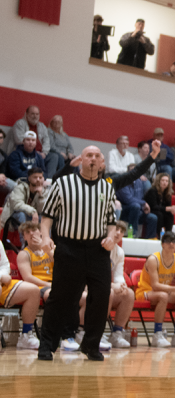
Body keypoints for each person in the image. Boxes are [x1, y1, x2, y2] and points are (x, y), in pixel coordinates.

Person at [36, 145, 119, 361]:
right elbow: (47, 217)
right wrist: (46, 237)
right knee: (60, 298)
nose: (92, 159)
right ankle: (47, 345)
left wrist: (111, 236)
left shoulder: (107, 188)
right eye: (88, 155)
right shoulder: (63, 183)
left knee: (101, 297)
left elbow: (111, 222)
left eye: (96, 156)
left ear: (102, 162)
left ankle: (91, 345)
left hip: (98, 250)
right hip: (68, 247)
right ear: (81, 159)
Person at [80, 222, 134, 350]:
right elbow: (88, 276)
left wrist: (121, 286)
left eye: (122, 231)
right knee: (107, 292)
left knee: (129, 294)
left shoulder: (119, 252)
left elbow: (119, 275)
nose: (118, 233)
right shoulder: (96, 246)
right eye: (116, 229)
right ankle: (96, 333)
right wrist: (111, 286)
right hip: (85, 287)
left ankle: (117, 333)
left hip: (104, 287)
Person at [136, 232, 175, 347]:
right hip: (146, 291)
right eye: (168, 241)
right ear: (162, 244)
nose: (172, 244)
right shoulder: (153, 259)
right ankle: (157, 334)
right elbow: (155, 285)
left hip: (164, 291)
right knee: (163, 295)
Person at [0, 239, 42, 350]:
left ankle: (26, 335)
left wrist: (2, 275)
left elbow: (5, 265)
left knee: (33, 290)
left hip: (3, 282)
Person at [1, 167, 47, 239]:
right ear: (29, 178)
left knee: (45, 218)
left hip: (32, 217)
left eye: (40, 177)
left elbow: (43, 210)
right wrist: (33, 211)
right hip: (12, 216)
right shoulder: (20, 187)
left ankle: (44, 243)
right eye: (35, 177)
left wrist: (41, 196)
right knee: (21, 214)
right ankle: (25, 245)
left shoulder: (43, 191)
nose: (38, 180)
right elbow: (17, 204)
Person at [152, 127, 175, 195]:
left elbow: (171, 157)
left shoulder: (166, 147)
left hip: (168, 167)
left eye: (161, 135)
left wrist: (164, 156)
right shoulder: (151, 144)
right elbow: (150, 156)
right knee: (168, 167)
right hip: (157, 167)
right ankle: (169, 189)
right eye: (158, 135)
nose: (160, 137)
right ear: (154, 136)